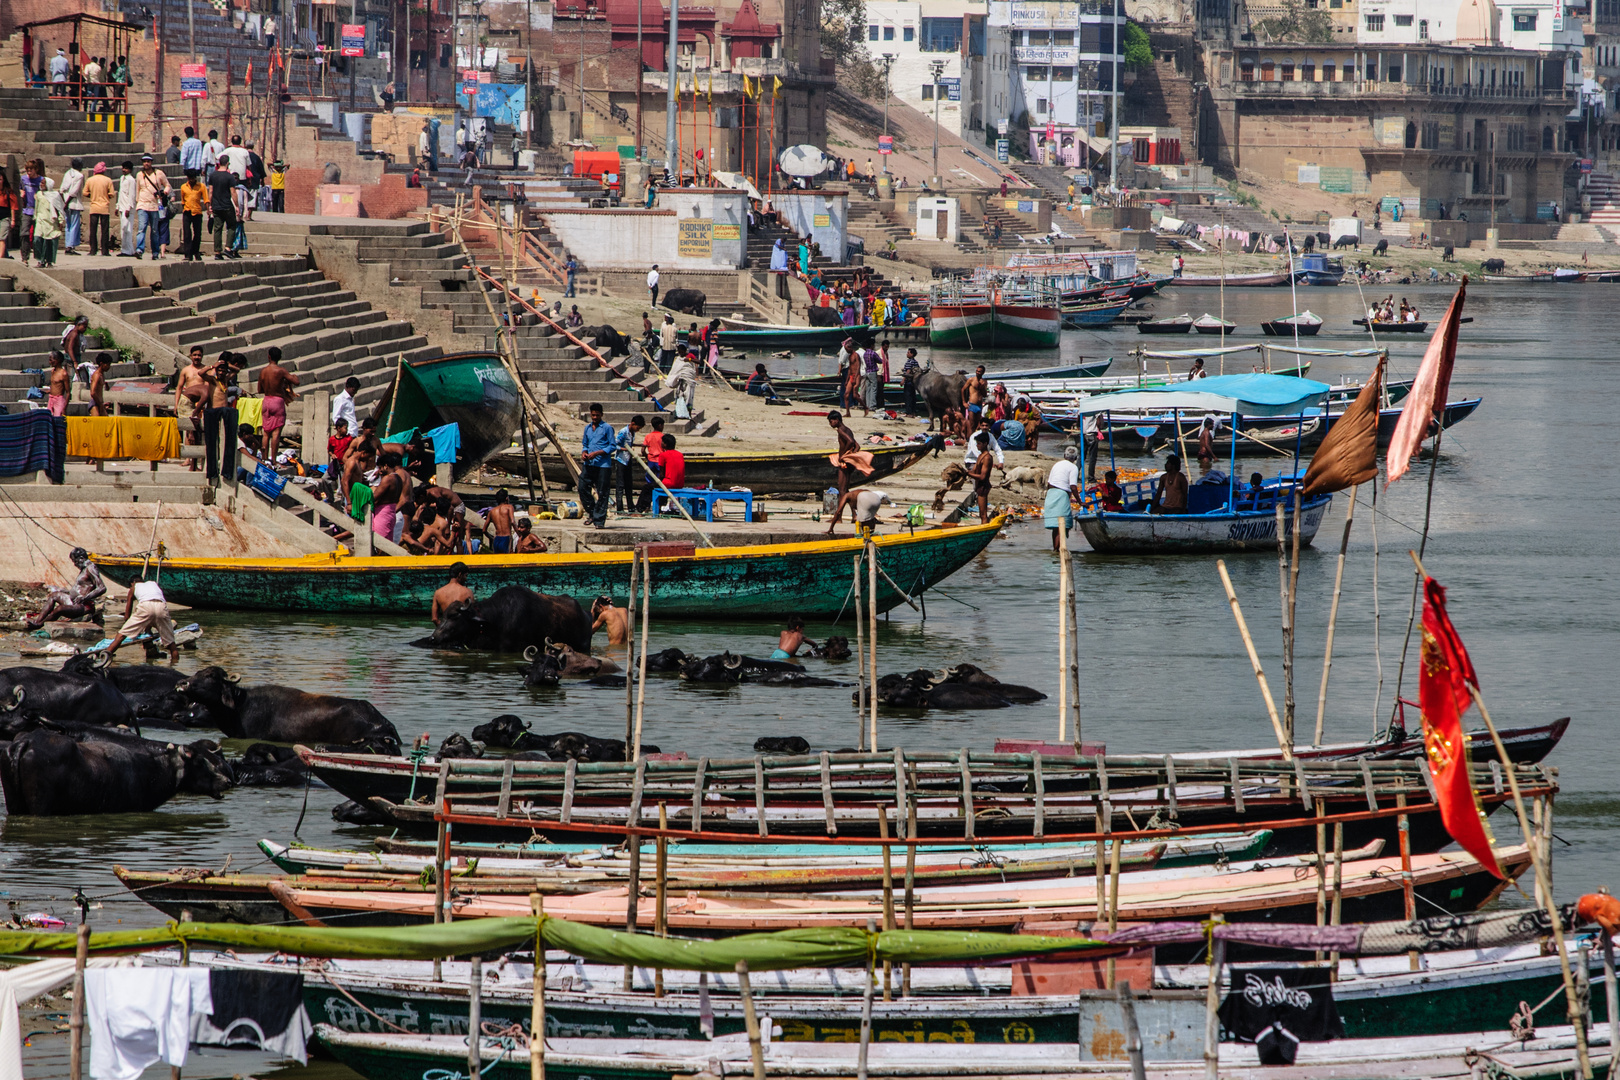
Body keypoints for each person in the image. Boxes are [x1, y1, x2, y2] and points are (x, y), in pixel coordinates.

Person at [25, 548, 108, 629]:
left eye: (75, 561)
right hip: (75, 603)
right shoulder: (84, 569)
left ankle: (39, 625)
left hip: (83, 606)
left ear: (82, 558)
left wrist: (84, 598)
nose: (74, 564)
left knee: (60, 609)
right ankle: (37, 621)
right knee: (54, 595)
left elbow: (102, 588)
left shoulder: (91, 568)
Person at [105, 577, 180, 664]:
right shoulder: (153, 584)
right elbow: (153, 614)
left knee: (121, 636)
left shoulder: (134, 587)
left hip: (145, 606)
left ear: (132, 583)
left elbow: (127, 615)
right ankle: (175, 665)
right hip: (161, 606)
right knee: (171, 644)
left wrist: (128, 627)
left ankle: (106, 656)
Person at [824, 410, 869, 536]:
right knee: (846, 489)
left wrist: (843, 456)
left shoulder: (841, 430)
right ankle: (854, 515)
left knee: (842, 490)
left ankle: (839, 517)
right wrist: (851, 455)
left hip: (844, 463)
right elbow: (857, 446)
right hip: (849, 462)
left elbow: (849, 441)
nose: (830, 423)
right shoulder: (848, 429)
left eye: (831, 421)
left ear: (837, 420)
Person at [258, 346, 299, 464]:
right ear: (280, 357)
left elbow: (260, 389)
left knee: (266, 432)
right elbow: (296, 381)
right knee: (276, 432)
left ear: (268, 356)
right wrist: (293, 377)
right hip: (277, 401)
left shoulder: (263, 371)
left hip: (266, 400)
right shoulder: (281, 371)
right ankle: (274, 460)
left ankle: (265, 459)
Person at [579, 403, 615, 528]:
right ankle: (592, 513)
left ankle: (599, 520)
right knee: (582, 488)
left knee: (602, 492)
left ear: (601, 414)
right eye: (593, 415)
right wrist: (584, 452)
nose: (595, 417)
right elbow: (585, 444)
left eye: (597, 415)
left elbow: (612, 446)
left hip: (603, 465)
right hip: (589, 464)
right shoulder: (587, 428)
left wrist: (597, 453)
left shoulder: (607, 428)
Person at [132, 155, 170, 259]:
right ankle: (139, 250)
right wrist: (137, 202)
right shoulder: (139, 175)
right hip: (142, 204)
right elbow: (137, 189)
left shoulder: (158, 173)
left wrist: (164, 193)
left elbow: (167, 185)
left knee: (154, 230)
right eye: (144, 162)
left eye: (148, 161)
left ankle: (155, 252)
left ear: (151, 162)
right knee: (141, 228)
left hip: (154, 205)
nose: (146, 164)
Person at [1044, 446, 1081, 551]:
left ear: (1064, 455)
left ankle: (1056, 550)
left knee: (1056, 526)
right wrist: (1080, 502)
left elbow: (1049, 483)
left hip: (1051, 494)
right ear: (1075, 458)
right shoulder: (1073, 467)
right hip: (1061, 495)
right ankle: (1059, 549)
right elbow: (1073, 486)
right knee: (1062, 525)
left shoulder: (1057, 464)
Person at [635, 416, 668, 511]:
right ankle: (659, 505)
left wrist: (647, 457)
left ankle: (647, 505)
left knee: (649, 484)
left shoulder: (648, 436)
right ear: (660, 425)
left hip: (651, 461)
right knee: (660, 483)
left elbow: (642, 450)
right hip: (660, 462)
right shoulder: (663, 436)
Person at [209, 160, 239, 259]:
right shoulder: (229, 176)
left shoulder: (213, 175)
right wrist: (237, 205)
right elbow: (233, 192)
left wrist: (210, 204)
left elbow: (211, 191)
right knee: (231, 226)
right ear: (227, 164)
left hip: (216, 206)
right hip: (227, 206)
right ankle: (228, 248)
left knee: (217, 228)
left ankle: (217, 252)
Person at [613, 415, 643, 511]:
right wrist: (625, 449)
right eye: (637, 428)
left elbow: (630, 443)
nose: (637, 430)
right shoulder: (623, 432)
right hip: (621, 460)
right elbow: (614, 445)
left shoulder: (632, 433)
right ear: (633, 424)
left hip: (628, 460)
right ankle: (620, 507)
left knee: (629, 484)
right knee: (620, 484)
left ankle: (630, 506)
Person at [966, 431, 996, 524]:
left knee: (983, 514)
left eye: (979, 444)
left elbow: (982, 476)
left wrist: (968, 474)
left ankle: (984, 529)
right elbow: (974, 471)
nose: (977, 446)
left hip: (983, 486)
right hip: (979, 486)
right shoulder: (980, 456)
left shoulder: (987, 457)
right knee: (981, 512)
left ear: (985, 444)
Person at [177, 168, 206, 261]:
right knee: (187, 234)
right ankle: (188, 254)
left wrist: (209, 210)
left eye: (193, 178)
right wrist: (184, 210)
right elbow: (182, 200)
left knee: (197, 234)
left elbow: (206, 199)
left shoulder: (201, 186)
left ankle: (196, 251)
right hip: (187, 211)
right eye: (190, 178)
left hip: (197, 211)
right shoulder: (183, 187)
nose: (191, 180)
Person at [60, 158, 84, 255]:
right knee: (74, 225)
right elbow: (74, 192)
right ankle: (70, 246)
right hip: (73, 203)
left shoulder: (67, 173)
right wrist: (66, 203)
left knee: (68, 225)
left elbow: (62, 189)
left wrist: (63, 202)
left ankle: (68, 245)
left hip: (66, 202)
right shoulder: (79, 176)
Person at [115, 159, 137, 256]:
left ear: (130, 170)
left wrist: (128, 208)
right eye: (123, 168)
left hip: (128, 209)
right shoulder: (122, 178)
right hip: (121, 207)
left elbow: (132, 195)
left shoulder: (131, 180)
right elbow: (120, 194)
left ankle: (127, 251)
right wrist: (117, 206)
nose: (124, 170)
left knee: (127, 230)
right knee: (123, 229)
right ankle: (128, 250)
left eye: (126, 168)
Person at [46, 351, 70, 417]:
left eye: (51, 360)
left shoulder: (63, 374)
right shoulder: (53, 371)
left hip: (59, 400)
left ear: (57, 360)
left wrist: (64, 408)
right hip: (51, 399)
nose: (50, 362)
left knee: (58, 418)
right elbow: (54, 385)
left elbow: (68, 392)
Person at [88, 352, 112, 416]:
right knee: (97, 424)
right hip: (95, 404)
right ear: (101, 364)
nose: (109, 367)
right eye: (107, 364)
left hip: (100, 403)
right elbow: (93, 392)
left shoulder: (102, 375)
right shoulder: (97, 375)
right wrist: (100, 404)